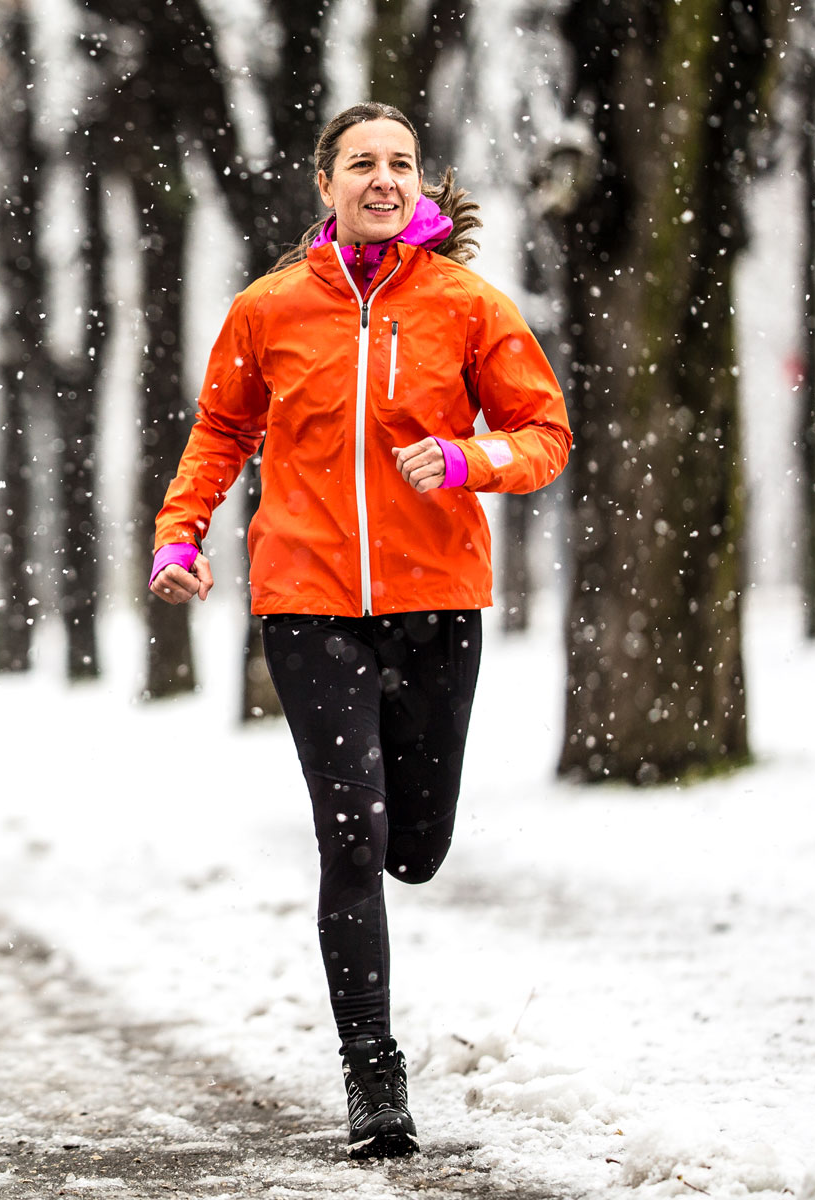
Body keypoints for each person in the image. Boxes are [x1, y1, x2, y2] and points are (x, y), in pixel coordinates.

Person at [146, 102, 571, 1158]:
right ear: (324, 185)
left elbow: (546, 434)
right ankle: (373, 1073)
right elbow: (221, 430)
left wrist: (474, 461)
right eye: (362, 164)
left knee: (415, 850)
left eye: (402, 164)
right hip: (310, 606)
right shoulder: (270, 309)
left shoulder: (469, 307)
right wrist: (179, 536)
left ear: (421, 183)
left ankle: (400, 870)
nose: (385, 179)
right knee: (352, 836)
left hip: (436, 606)